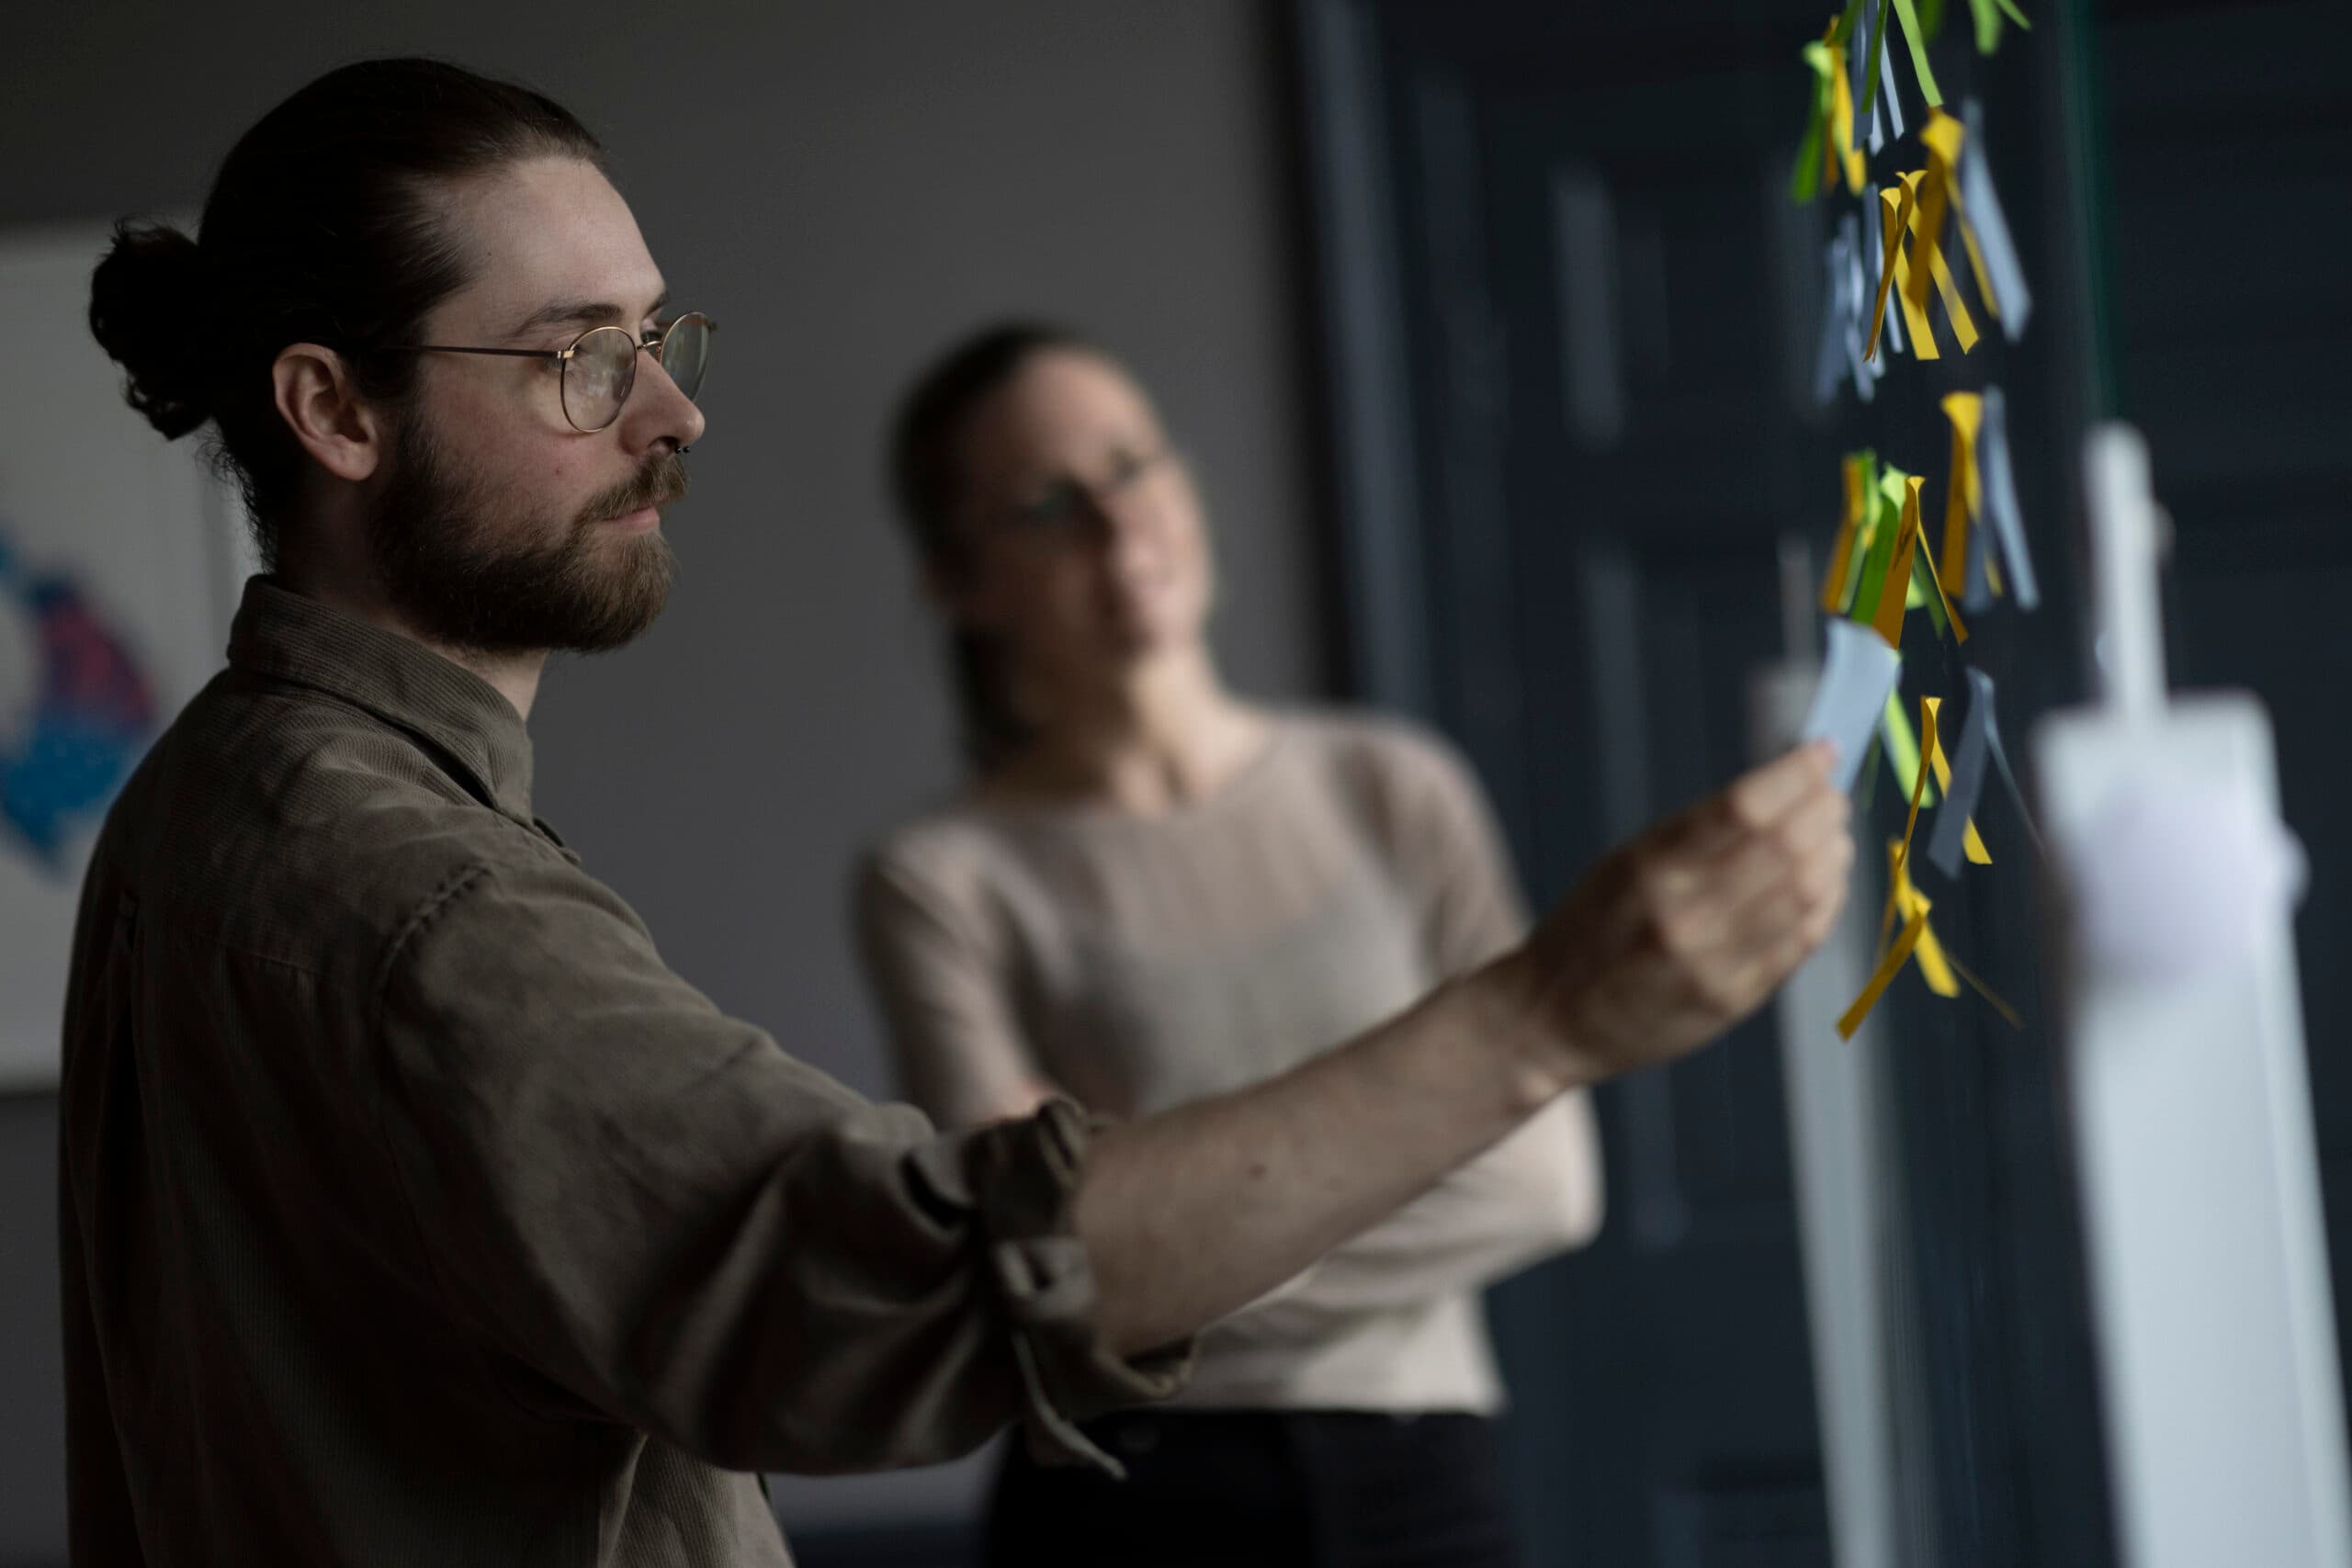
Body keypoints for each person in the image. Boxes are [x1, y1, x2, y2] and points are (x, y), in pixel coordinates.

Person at [63, 57, 1853, 1568]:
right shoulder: (392, 887)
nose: (674, 409)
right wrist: (1540, 1013)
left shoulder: (215, 810)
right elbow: (902, 1274)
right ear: (331, 409)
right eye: (574, 356)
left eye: (656, 334)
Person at [858, 322, 1600, 1567]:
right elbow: (1038, 1263)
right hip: (1121, 1495)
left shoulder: (1392, 786)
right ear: (960, 579)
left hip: (1422, 1470)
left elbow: (1546, 1183)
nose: (1116, 521)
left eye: (1134, 462)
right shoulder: (943, 879)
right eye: (1047, 501)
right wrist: (1405, 1166)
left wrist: (1152, 1248)